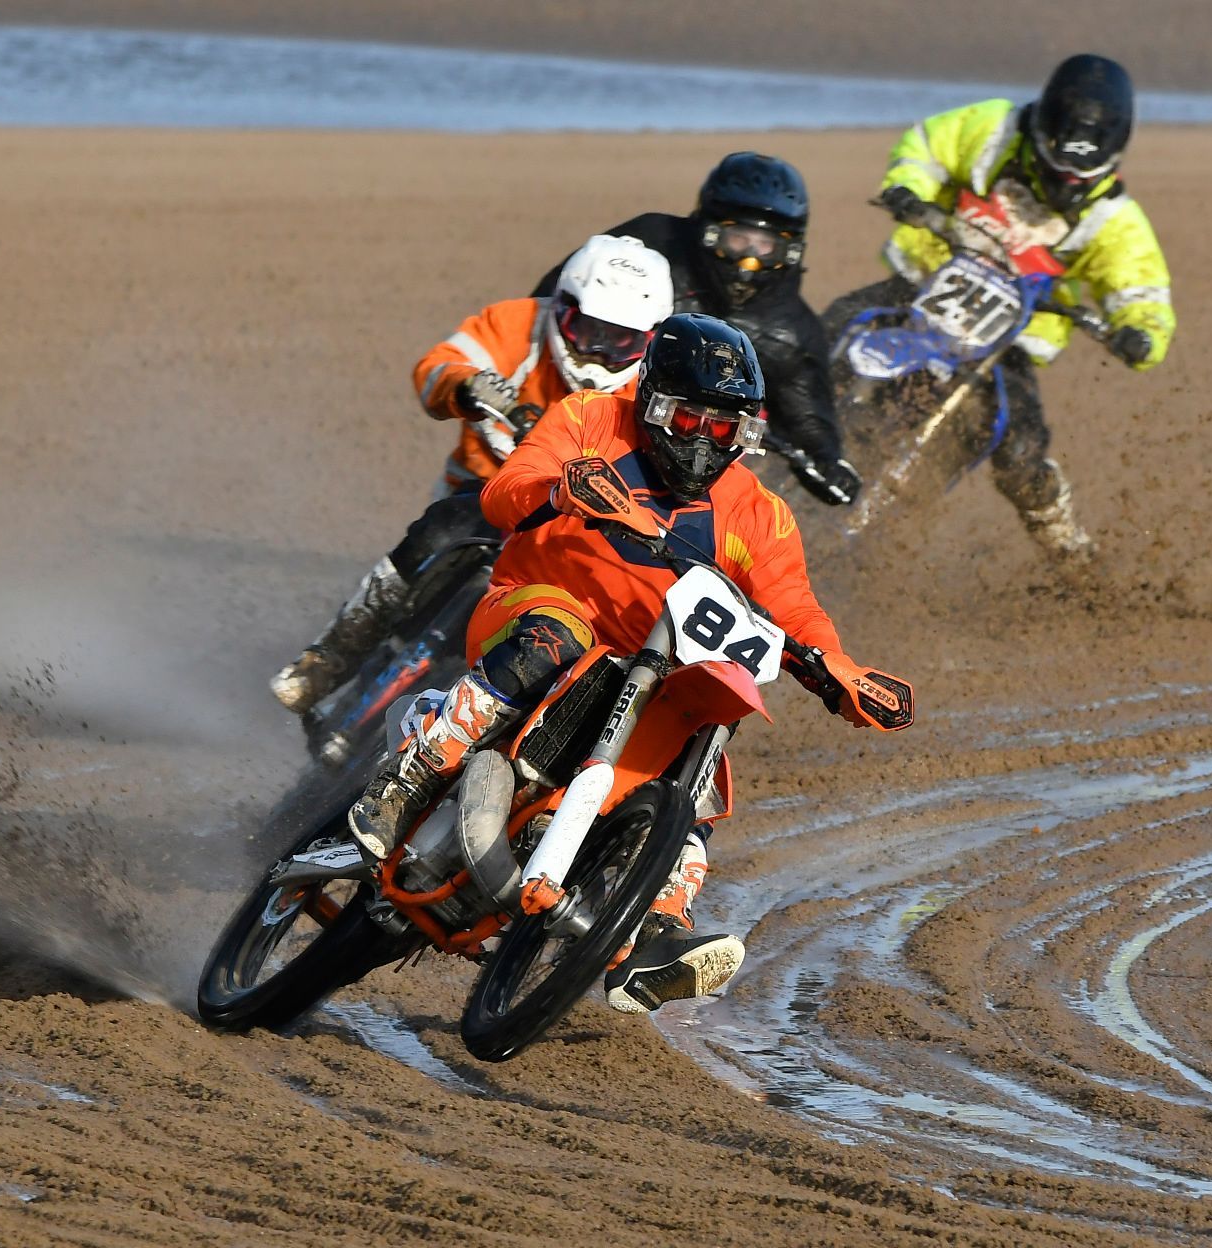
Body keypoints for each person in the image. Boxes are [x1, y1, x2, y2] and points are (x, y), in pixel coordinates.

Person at [347, 314, 914, 1012]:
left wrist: (839, 670)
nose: (704, 441)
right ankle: (408, 778)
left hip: (650, 667)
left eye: (724, 429)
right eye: (688, 419)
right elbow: (503, 491)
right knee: (558, 631)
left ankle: (655, 928)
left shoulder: (759, 515)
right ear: (650, 401)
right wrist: (559, 489)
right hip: (536, 604)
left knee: (702, 762)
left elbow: (793, 607)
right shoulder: (589, 419)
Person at [270, 235, 673, 717]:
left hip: (573, 530)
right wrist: (469, 384)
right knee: (436, 533)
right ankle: (327, 660)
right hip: (482, 495)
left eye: (622, 340)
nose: (600, 352)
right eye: (588, 330)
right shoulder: (517, 323)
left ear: (648, 338)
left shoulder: (653, 385)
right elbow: (434, 367)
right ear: (562, 308)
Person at [821, 54, 1176, 562]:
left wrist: (1138, 333)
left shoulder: (1117, 221)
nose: (1063, 185)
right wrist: (908, 189)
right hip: (922, 285)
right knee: (819, 333)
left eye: (1077, 181)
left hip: (1006, 341)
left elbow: (1142, 291)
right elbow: (926, 146)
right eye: (1055, 171)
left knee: (1020, 449)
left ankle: (1068, 552)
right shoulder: (992, 127)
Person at [532, 152, 862, 510]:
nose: (749, 260)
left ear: (792, 252)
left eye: (767, 246)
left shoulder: (791, 333)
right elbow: (557, 300)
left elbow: (808, 420)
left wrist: (828, 461)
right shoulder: (650, 242)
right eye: (737, 239)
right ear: (708, 231)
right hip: (561, 404)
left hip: (665, 463)